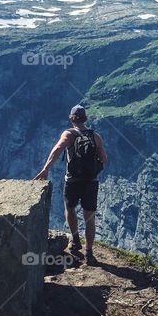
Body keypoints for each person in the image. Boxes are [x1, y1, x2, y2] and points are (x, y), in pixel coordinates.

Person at [34, 104, 107, 264]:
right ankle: (89, 252)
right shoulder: (95, 136)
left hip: (73, 180)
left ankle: (75, 240)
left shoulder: (69, 134)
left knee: (70, 208)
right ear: (85, 118)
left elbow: (58, 149)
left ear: (72, 118)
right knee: (90, 218)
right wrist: (93, 172)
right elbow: (103, 158)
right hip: (91, 182)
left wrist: (46, 169)